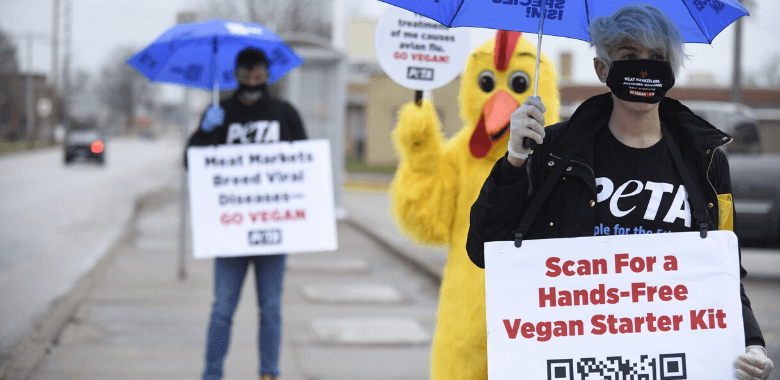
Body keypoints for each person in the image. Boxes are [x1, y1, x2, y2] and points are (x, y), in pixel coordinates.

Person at [465, 5, 774, 380]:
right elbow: (484, 249)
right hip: (576, 360)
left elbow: (723, 270)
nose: (644, 69)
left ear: (671, 71)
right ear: (602, 69)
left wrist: (751, 342)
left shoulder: (706, 163)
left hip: (670, 362)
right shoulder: (553, 152)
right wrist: (515, 160)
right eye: (629, 56)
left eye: (657, 58)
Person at [185, 47, 307, 380]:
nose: (253, 82)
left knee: (271, 309)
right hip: (230, 233)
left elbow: (305, 166)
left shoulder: (285, 114)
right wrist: (204, 131)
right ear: (236, 75)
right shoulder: (220, 113)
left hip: (272, 232)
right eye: (246, 76)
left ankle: (269, 373)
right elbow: (191, 162)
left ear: (267, 75)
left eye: (258, 76)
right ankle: (212, 374)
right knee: (222, 308)